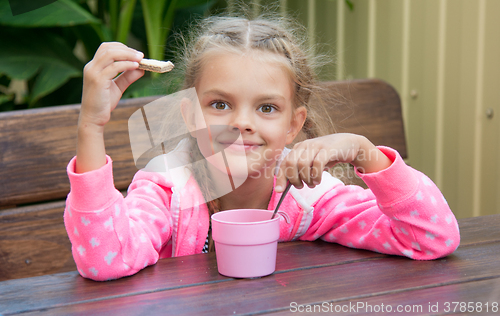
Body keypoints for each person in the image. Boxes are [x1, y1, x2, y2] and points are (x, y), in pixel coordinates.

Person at [64, 14, 460, 281]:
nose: (242, 122)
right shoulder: (166, 190)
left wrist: (363, 150)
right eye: (220, 104)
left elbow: (431, 237)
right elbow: (106, 260)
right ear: (189, 115)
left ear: (294, 125)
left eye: (267, 108)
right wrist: (91, 127)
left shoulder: (309, 201)